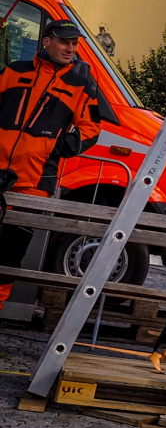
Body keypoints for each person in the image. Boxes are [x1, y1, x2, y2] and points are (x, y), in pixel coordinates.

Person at [0, 18, 116, 308]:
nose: (70, 48)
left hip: (35, 184)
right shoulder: (14, 72)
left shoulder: (80, 83)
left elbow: (91, 130)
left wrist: (53, 149)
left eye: (74, 43)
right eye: (65, 42)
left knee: (8, 257)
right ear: (47, 41)